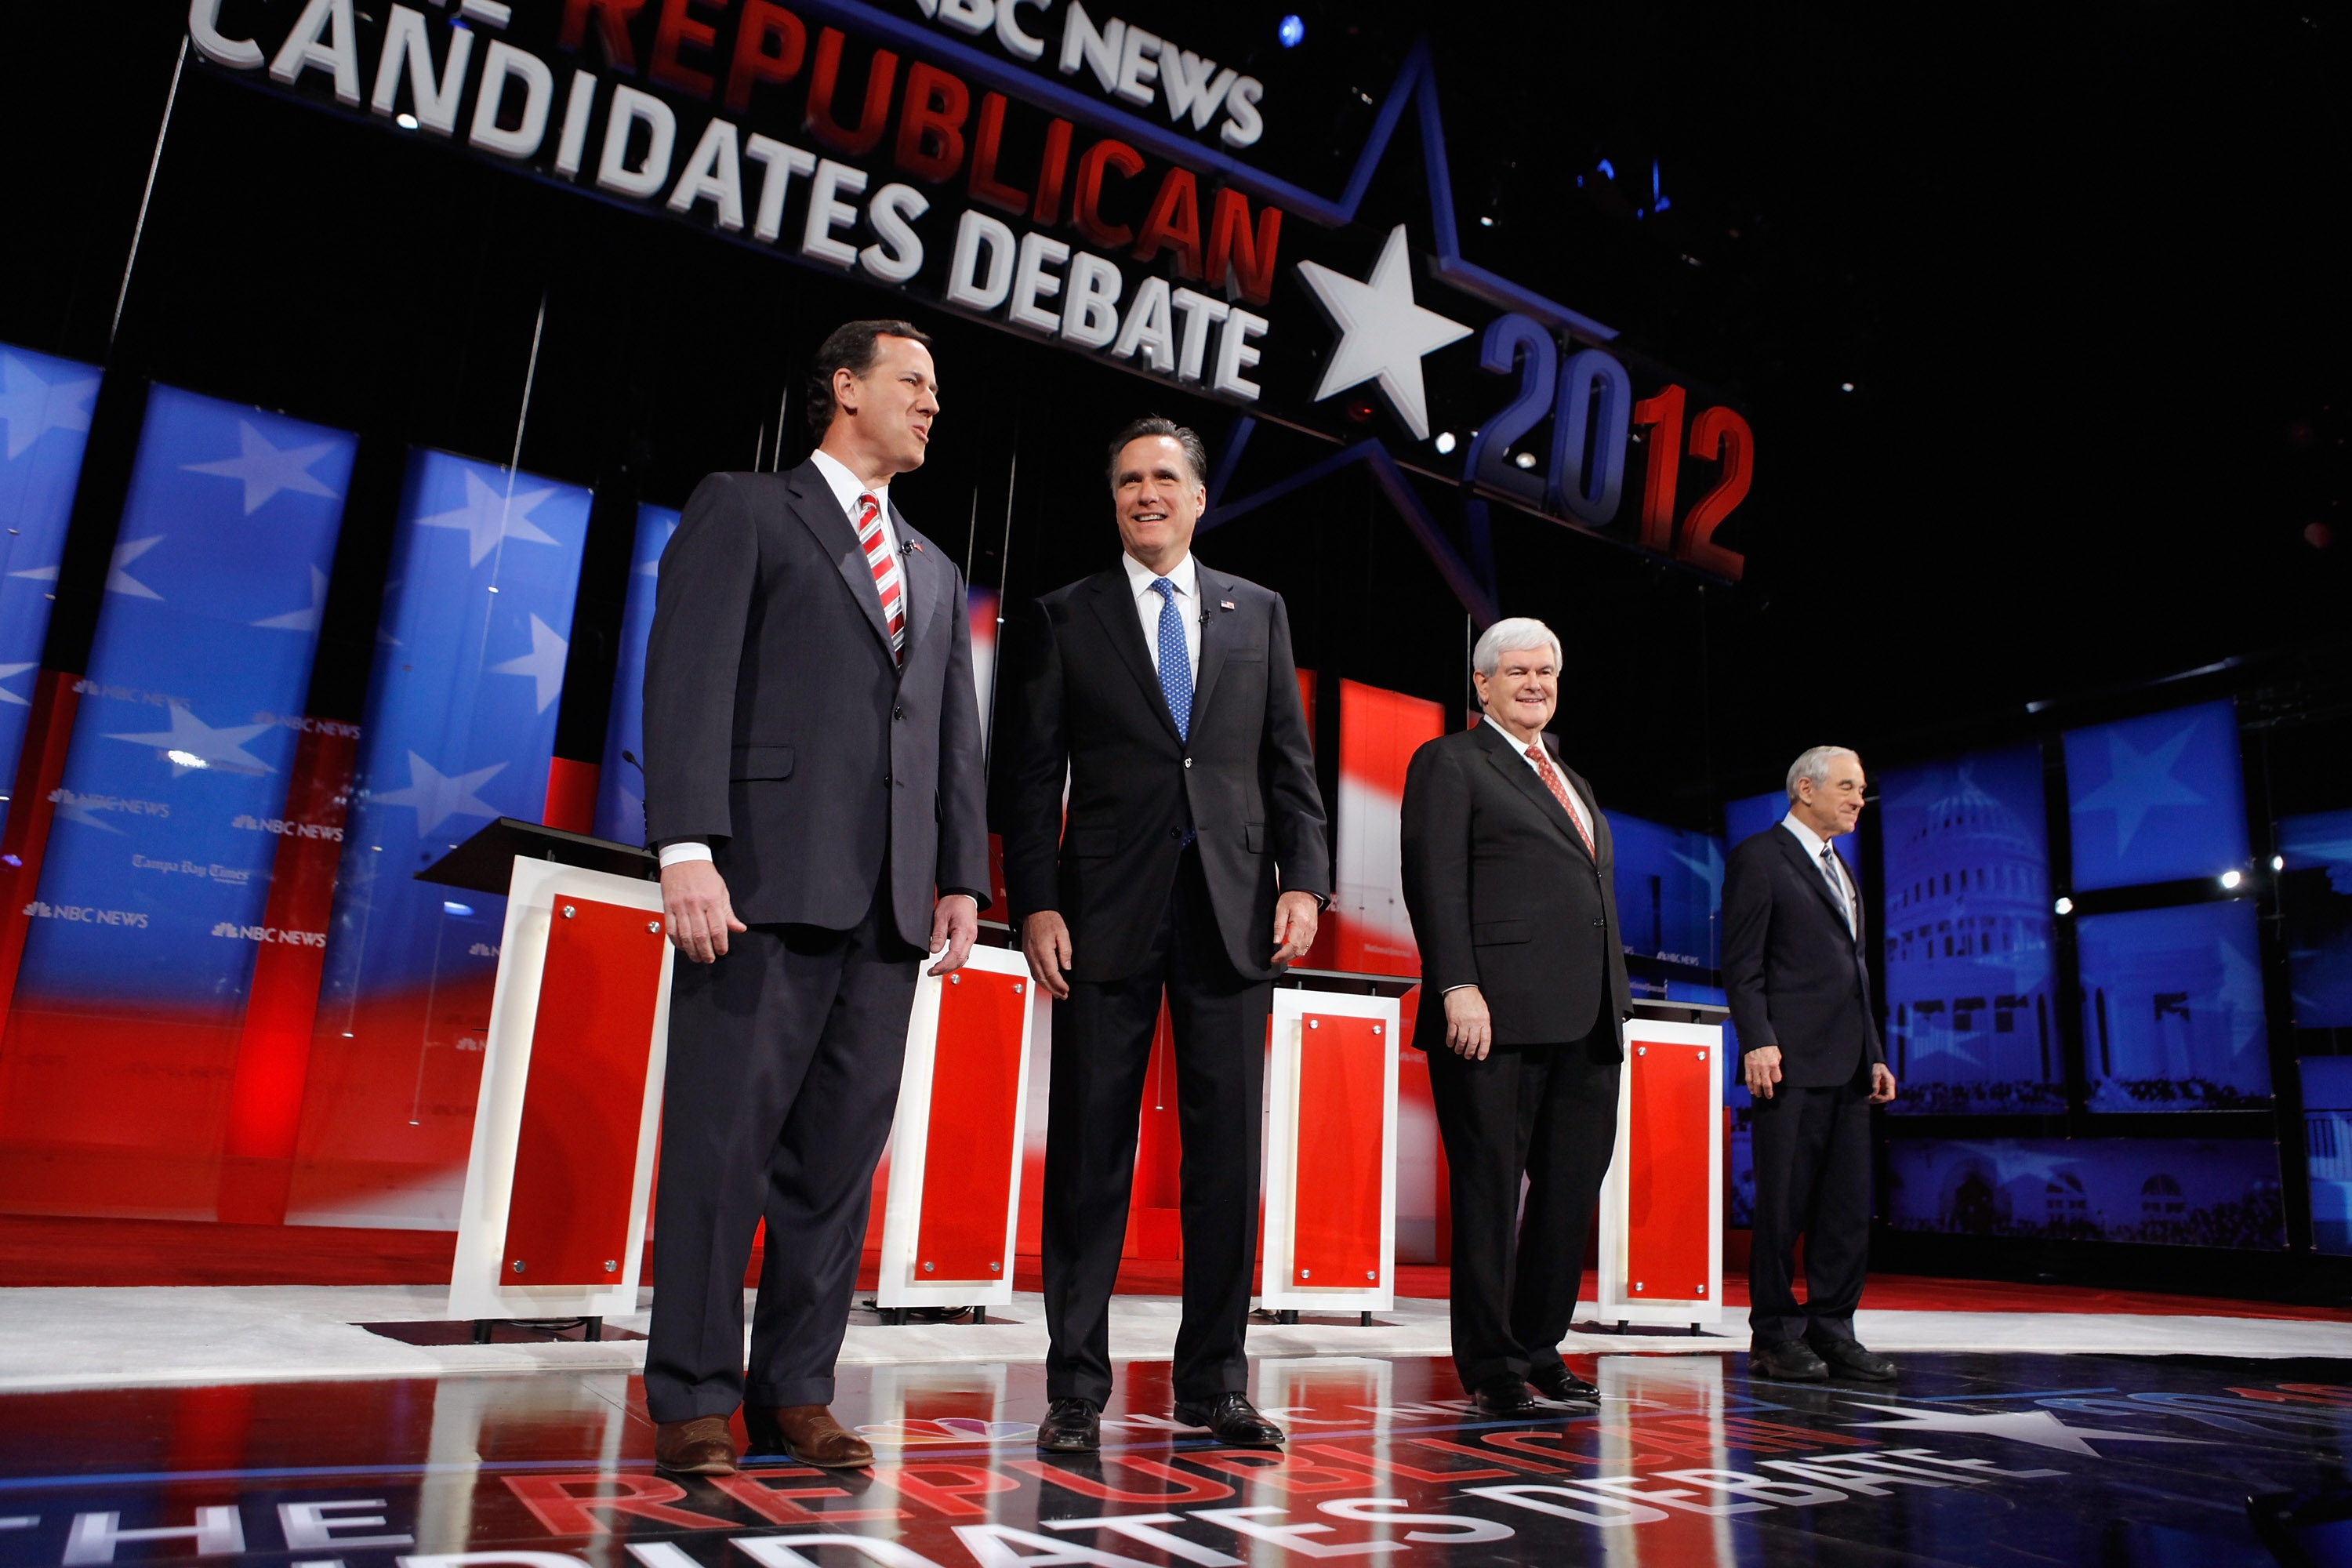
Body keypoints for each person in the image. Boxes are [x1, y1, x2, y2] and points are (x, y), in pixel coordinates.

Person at [638, 320, 991, 1474]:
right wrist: (686, 844)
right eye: (913, 383)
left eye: (937, 390)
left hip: (889, 910)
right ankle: (693, 1392)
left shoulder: (935, 568)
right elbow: (688, 674)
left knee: (836, 1168)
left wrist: (957, 875)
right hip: (760, 885)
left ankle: (796, 1390)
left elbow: (949, 739)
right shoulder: (745, 508)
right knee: (720, 1148)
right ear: (845, 388)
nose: (932, 405)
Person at [995, 416, 1330, 1454]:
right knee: (1093, 1155)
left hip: (1231, 915)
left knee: (1224, 1159)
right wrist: (1038, 902)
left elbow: (1289, 766)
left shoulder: (1258, 612)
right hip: (1103, 914)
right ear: (1117, 500)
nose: (1147, 493)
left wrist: (1306, 883)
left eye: (1164, 478)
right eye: (1129, 478)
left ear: (1196, 498)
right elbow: (1029, 775)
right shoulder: (1063, 615)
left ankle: (1215, 1383)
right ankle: (1076, 1390)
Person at [1397, 618, 1631, 1414]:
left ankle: (1539, 1348)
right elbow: (1434, 878)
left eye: (1547, 671)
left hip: (1589, 1020)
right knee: (1491, 1194)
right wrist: (1455, 984)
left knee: (1568, 1195)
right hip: (1492, 1018)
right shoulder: (1450, 761)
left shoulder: (1571, 778)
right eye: (1519, 671)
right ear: (1483, 683)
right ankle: (1492, 1363)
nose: (1535, 683)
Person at [1722, 745, 1898, 1381]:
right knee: (1783, 1207)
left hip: (1850, 1065)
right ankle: (1773, 1335)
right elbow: (1742, 964)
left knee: (1846, 1208)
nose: (1858, 798)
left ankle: (1834, 1329)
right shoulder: (1759, 858)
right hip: (1788, 1063)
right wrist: (1757, 1039)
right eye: (1848, 787)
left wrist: (1875, 1053)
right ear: (1805, 788)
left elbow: (1856, 973)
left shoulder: (1840, 869)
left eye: (1861, 787)